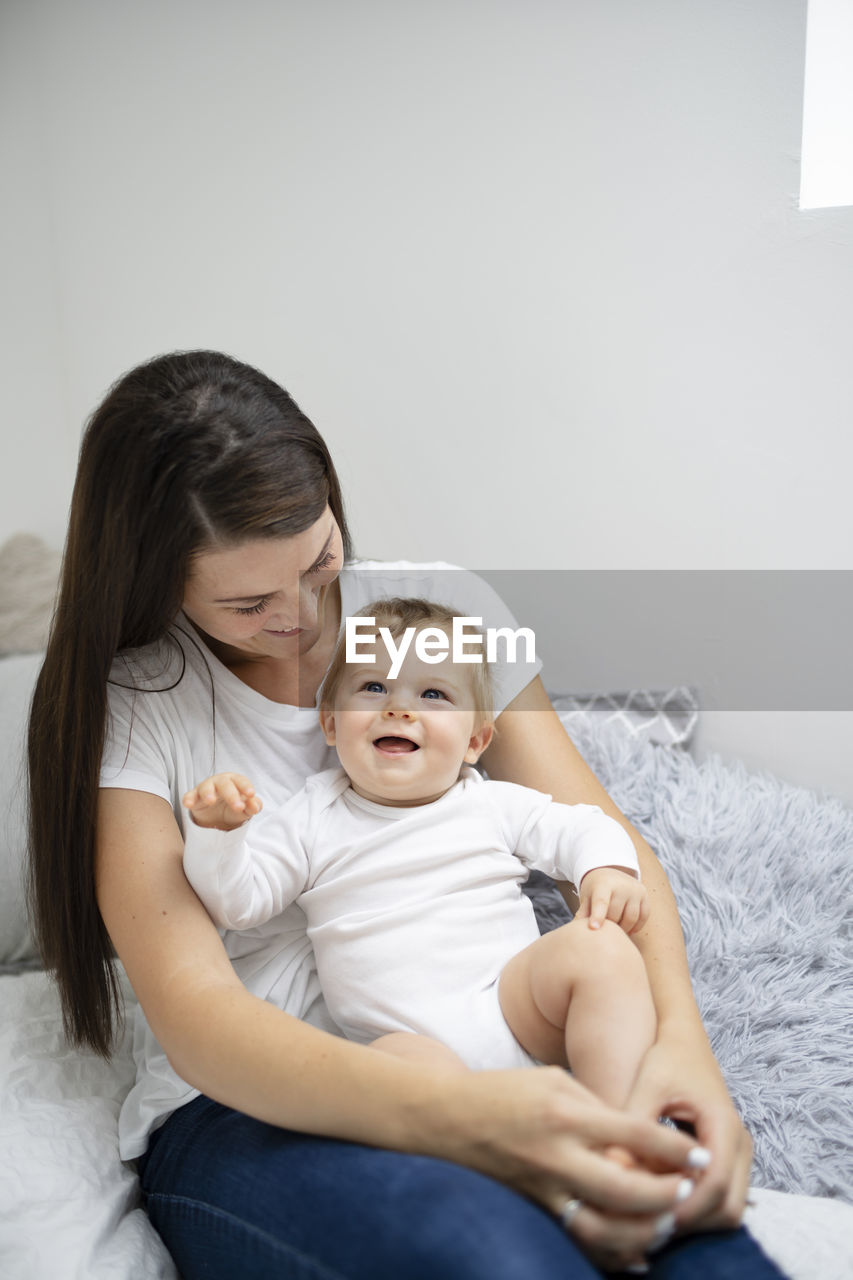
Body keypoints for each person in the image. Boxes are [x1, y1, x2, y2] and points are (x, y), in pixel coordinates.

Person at [26, 350, 783, 1278]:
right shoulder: (142, 698)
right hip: (250, 1102)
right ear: (153, 581)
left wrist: (680, 1049)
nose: (303, 616)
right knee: (493, 1258)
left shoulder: (447, 609)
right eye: (249, 602)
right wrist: (459, 1115)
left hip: (493, 1038)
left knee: (694, 1238)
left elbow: (596, 834)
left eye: (320, 563)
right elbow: (197, 1009)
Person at [182, 597, 660, 1115]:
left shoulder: (489, 803)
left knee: (603, 949)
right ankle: (494, 1143)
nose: (399, 708)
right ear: (331, 724)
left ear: (476, 739)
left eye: (433, 693)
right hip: (404, 1043)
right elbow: (240, 903)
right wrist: (221, 834)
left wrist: (605, 870)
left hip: (516, 1006)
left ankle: (617, 1122)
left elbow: (579, 826)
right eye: (373, 688)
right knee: (390, 1075)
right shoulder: (312, 817)